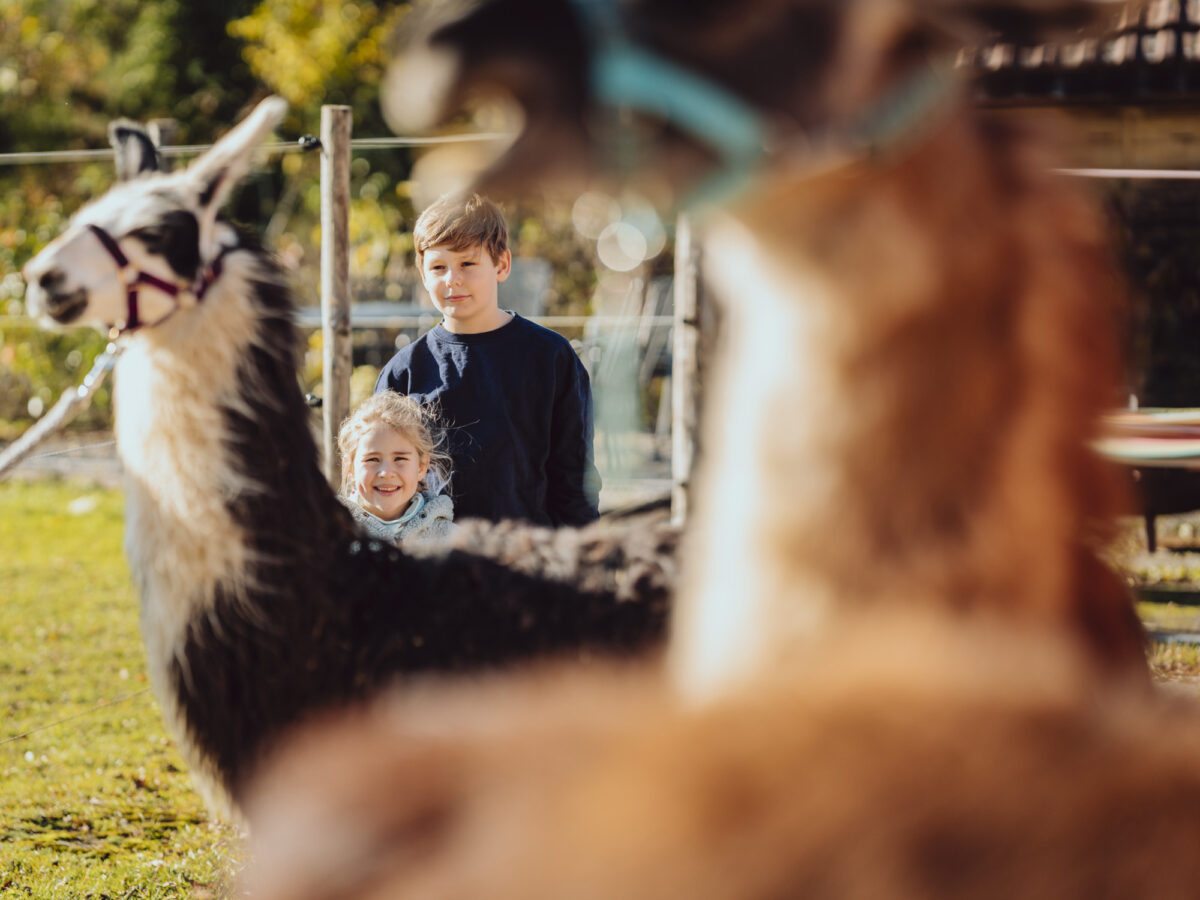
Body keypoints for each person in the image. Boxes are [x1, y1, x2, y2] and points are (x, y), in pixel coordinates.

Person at [375, 192, 601, 526]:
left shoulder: (550, 358)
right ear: (423, 275)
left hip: (527, 559)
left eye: (467, 263)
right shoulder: (404, 372)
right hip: (434, 566)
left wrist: (580, 560)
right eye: (438, 267)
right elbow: (379, 482)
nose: (452, 278)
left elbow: (574, 477)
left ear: (502, 264)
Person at [337, 392, 457, 545]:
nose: (386, 473)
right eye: (372, 459)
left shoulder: (451, 541)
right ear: (350, 468)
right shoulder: (329, 537)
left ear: (421, 467)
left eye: (399, 458)